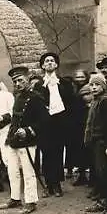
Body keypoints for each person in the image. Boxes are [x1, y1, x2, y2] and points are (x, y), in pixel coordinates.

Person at [0, 67, 47, 214]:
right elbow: (15, 119)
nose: (18, 83)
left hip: (27, 141)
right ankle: (15, 198)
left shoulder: (36, 97)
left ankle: (31, 201)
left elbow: (44, 120)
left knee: (28, 172)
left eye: (21, 80)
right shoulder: (17, 97)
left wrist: (27, 130)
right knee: (12, 171)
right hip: (14, 139)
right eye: (15, 81)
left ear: (27, 80)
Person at [38, 52, 75, 197]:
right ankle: (48, 184)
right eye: (46, 61)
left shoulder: (64, 83)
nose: (49, 63)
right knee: (46, 153)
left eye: (52, 61)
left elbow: (70, 102)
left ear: (56, 65)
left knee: (58, 152)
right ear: (42, 65)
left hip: (60, 122)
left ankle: (57, 183)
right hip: (45, 123)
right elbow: (37, 104)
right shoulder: (39, 85)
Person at [83, 74, 107, 214]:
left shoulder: (106, 101)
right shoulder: (96, 101)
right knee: (99, 173)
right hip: (95, 141)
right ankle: (103, 201)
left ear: (103, 86)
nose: (94, 87)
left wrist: (106, 144)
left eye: (97, 85)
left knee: (105, 174)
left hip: (102, 142)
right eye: (92, 85)